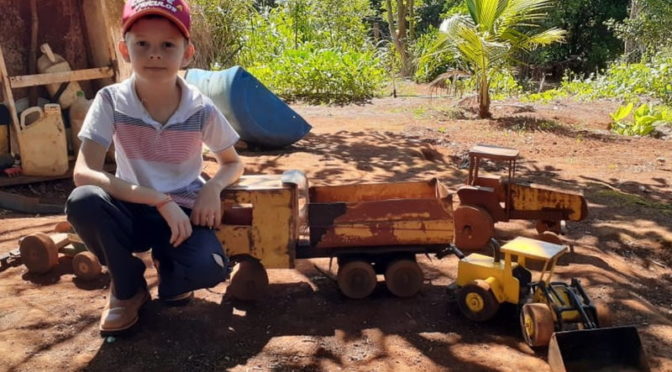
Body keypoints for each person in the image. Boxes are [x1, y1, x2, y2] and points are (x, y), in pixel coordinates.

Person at [65, 0, 244, 336]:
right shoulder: (110, 101)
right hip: (131, 210)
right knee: (84, 199)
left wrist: (212, 188)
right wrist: (159, 200)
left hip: (183, 216)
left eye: (167, 45)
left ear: (187, 53)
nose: (155, 54)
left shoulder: (200, 108)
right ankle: (127, 286)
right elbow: (84, 172)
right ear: (124, 49)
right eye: (142, 44)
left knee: (209, 270)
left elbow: (233, 163)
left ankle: (170, 266)